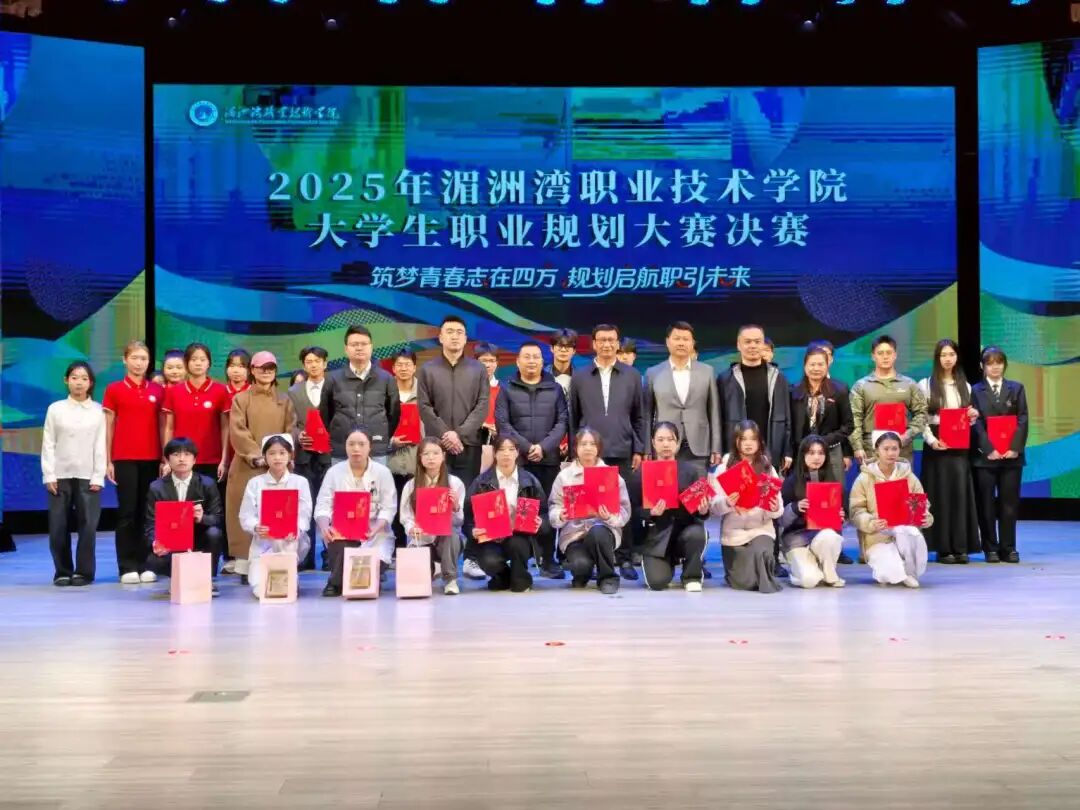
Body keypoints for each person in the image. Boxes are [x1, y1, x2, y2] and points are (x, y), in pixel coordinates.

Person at [567, 323, 645, 581]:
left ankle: (624, 558)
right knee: (588, 508)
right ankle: (590, 556)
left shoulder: (632, 375)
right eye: (601, 340)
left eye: (611, 340)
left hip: (622, 449)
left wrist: (640, 448)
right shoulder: (580, 376)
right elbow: (573, 417)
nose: (607, 344)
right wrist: (575, 452)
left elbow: (639, 416)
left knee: (623, 506)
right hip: (589, 454)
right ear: (593, 344)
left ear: (618, 343)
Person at [416, 315, 489, 580]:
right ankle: (436, 559)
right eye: (450, 331)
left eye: (459, 331)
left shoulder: (478, 369)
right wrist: (445, 435)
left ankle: (470, 558)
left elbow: (482, 405)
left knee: (467, 501)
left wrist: (459, 434)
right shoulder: (428, 369)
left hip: (469, 445)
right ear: (440, 337)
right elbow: (424, 406)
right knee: (435, 499)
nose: (455, 336)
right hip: (438, 448)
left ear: (466, 338)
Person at [493, 340, 568, 579]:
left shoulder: (555, 388)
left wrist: (543, 447)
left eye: (536, 357)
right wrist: (526, 448)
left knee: (546, 510)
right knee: (519, 510)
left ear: (542, 361)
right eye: (527, 357)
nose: (532, 361)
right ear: (517, 361)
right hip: (520, 462)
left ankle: (548, 560)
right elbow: (503, 424)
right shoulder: (507, 388)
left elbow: (562, 421)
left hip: (548, 460)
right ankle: (521, 559)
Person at [225, 352, 297, 581]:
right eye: (261, 368)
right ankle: (245, 565)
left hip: (278, 467)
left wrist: (279, 457)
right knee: (246, 513)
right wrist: (258, 456)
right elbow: (238, 431)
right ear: (252, 371)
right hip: (247, 465)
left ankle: (276, 562)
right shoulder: (241, 399)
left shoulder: (284, 400)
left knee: (276, 514)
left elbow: (290, 429)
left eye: (270, 368)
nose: (266, 372)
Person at [102, 340, 165, 584]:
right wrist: (108, 460)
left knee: (148, 513)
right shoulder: (114, 389)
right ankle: (127, 565)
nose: (139, 363)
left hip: (152, 457)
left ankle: (147, 563)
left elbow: (164, 426)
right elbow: (108, 426)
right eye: (135, 358)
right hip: (124, 457)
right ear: (125, 360)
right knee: (127, 512)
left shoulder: (158, 390)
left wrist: (164, 458)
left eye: (144, 359)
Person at [41, 361, 106, 587]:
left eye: (84, 378)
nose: (79, 382)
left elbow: (101, 445)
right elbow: (48, 443)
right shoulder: (55, 409)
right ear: (66, 380)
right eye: (75, 378)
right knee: (58, 526)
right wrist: (49, 474)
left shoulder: (98, 411)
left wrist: (98, 476)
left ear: (91, 383)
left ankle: (84, 572)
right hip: (60, 475)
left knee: (88, 526)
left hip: (88, 475)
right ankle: (62, 571)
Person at [918, 339, 981, 564]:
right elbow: (921, 418)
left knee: (960, 493)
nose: (947, 359)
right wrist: (932, 440)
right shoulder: (925, 385)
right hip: (937, 445)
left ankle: (960, 546)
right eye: (943, 355)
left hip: (959, 445)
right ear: (937, 358)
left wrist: (972, 417)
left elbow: (967, 420)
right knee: (940, 494)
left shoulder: (965, 386)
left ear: (956, 357)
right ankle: (943, 548)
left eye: (951, 354)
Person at [315, 427, 397, 597]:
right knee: (339, 546)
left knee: (369, 572)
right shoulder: (334, 472)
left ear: (370, 447)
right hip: (343, 531)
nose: (356, 448)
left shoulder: (382, 473)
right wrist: (324, 527)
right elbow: (323, 504)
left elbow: (388, 507)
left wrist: (376, 528)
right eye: (351, 444)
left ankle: (368, 575)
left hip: (374, 532)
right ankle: (335, 582)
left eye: (361, 444)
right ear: (345, 446)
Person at [548, 428, 631, 595]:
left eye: (592, 444)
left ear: (598, 448)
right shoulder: (564, 476)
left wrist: (609, 517)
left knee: (598, 532)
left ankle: (608, 577)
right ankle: (583, 572)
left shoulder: (612, 476)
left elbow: (624, 510)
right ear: (576, 448)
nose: (588, 448)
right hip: (574, 534)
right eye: (583, 444)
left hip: (603, 531)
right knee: (580, 566)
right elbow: (553, 506)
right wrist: (560, 515)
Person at [463, 436, 551, 593]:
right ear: (495, 453)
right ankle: (504, 576)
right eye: (501, 449)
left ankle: (521, 579)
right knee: (490, 561)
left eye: (511, 449)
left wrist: (540, 522)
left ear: (517, 453)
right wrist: (472, 531)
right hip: (490, 538)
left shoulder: (530, 480)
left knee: (518, 546)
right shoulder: (481, 482)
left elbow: (545, 513)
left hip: (520, 536)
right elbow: (468, 517)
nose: (506, 454)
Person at [628, 422, 708, 592]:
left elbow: (699, 510)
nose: (666, 444)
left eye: (670, 439)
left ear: (677, 442)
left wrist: (703, 510)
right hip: (656, 536)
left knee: (696, 533)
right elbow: (632, 510)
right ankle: (665, 564)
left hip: (684, 532)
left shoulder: (690, 471)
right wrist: (650, 512)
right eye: (661, 439)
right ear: (653, 442)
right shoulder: (641, 473)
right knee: (657, 582)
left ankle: (691, 576)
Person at [849, 432, 933, 587]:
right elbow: (856, 511)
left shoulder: (908, 476)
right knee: (889, 574)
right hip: (878, 536)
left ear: (900, 450)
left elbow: (922, 504)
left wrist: (925, 517)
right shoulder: (864, 478)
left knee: (910, 532)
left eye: (894, 449)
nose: (890, 453)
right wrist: (871, 522)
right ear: (876, 450)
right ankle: (895, 570)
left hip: (903, 530)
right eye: (886, 449)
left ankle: (910, 571)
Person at [143, 437, 225, 596]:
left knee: (214, 534)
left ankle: (206, 580)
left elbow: (217, 518)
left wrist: (202, 518)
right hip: (171, 539)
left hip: (198, 538)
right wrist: (155, 542)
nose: (181, 459)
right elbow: (151, 522)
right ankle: (178, 579)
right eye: (176, 454)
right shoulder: (156, 487)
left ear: (194, 460)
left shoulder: (207, 484)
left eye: (187, 454)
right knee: (154, 560)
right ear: (167, 460)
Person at [710, 420, 784, 593]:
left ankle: (761, 571)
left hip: (761, 530)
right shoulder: (724, 468)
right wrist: (727, 503)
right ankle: (737, 575)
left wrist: (774, 508)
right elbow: (714, 507)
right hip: (734, 534)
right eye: (743, 439)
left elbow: (779, 506)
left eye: (753, 439)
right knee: (747, 582)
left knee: (762, 555)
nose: (748, 443)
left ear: (759, 442)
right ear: (736, 441)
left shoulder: (767, 468)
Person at [644, 321, 722, 480]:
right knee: (665, 492)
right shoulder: (653, 373)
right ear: (667, 342)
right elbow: (647, 415)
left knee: (698, 493)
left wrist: (716, 447)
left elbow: (714, 412)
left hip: (699, 447)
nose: (681, 343)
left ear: (692, 343)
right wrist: (647, 448)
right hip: (665, 447)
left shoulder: (707, 372)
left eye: (686, 339)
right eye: (677, 338)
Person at [971, 346, 1028, 564]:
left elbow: (1023, 418)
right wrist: (989, 449)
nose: (995, 367)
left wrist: (1014, 447)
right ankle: (990, 548)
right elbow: (976, 422)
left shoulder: (1017, 388)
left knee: (1009, 504)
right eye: (990, 363)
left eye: (999, 363)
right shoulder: (975, 390)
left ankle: (1009, 547)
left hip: (1012, 456)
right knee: (986, 504)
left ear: (1004, 365)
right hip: (985, 457)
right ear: (982, 366)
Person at [237, 435, 312, 597]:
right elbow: (246, 515)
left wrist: (296, 529)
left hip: (291, 541)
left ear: (290, 455)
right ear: (264, 457)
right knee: (260, 590)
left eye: (282, 453)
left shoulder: (300, 482)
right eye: (272, 453)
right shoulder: (255, 483)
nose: (277, 457)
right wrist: (256, 527)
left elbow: (305, 514)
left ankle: (290, 575)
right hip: (263, 543)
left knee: (285, 589)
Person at [718, 324, 792, 474]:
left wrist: (787, 451)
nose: (752, 346)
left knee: (767, 488)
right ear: (738, 345)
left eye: (757, 342)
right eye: (747, 342)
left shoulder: (779, 377)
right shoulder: (725, 379)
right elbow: (718, 418)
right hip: (737, 452)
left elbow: (787, 418)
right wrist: (719, 450)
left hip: (771, 448)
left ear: (763, 344)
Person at [322, 325, 400, 466]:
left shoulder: (386, 378)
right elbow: (326, 414)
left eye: (364, 344)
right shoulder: (333, 379)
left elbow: (393, 414)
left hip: (376, 450)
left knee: (376, 481)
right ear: (346, 349)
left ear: (371, 347)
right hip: (342, 450)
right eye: (354, 344)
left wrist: (381, 436)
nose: (359, 348)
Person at [399, 437, 467, 595]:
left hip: (446, 542)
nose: (431, 458)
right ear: (420, 458)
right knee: (421, 582)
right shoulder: (411, 485)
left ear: (443, 456)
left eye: (436, 453)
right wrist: (411, 528)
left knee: (451, 534)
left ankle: (450, 579)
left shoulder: (454, 483)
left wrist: (456, 506)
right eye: (426, 454)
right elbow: (405, 516)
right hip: (421, 539)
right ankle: (433, 569)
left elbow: (459, 522)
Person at [778, 435, 846, 588]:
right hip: (797, 540)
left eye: (821, 453)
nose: (816, 457)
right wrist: (795, 508)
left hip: (821, 537)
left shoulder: (833, 483)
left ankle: (829, 572)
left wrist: (839, 518)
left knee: (831, 536)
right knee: (809, 581)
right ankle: (809, 566)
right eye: (811, 452)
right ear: (803, 455)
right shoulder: (791, 482)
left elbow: (838, 524)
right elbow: (780, 521)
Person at [849, 335, 928, 465]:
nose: (885, 357)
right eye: (880, 353)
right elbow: (854, 418)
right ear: (873, 356)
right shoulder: (861, 386)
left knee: (901, 479)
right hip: (871, 449)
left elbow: (922, 413)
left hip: (902, 448)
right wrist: (857, 447)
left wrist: (907, 435)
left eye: (889, 353)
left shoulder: (909, 384)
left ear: (895, 355)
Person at [288, 346, 332, 571]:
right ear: (304, 365)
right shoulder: (294, 391)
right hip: (304, 456)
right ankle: (305, 555)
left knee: (330, 505)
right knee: (306, 504)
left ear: (325, 363)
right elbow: (289, 422)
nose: (313, 365)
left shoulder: (335, 386)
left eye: (317, 361)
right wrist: (298, 435)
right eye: (309, 361)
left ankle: (329, 554)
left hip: (330, 455)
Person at [162, 342, 229, 482]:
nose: (198, 363)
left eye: (202, 359)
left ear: (209, 363)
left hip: (212, 460)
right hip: (181, 460)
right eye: (193, 359)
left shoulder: (221, 391)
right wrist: (167, 460)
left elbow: (225, 428)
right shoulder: (174, 392)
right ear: (186, 363)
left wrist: (224, 460)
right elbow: (169, 428)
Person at [790, 345, 854, 484]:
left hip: (831, 450)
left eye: (820, 364)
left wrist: (824, 441)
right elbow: (790, 425)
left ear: (827, 366)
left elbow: (848, 425)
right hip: (802, 453)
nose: (816, 368)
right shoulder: (794, 391)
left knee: (832, 493)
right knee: (803, 493)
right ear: (805, 366)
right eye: (812, 364)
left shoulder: (840, 390)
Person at [387, 349, 422, 548]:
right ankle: (397, 548)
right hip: (390, 459)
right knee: (393, 506)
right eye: (399, 364)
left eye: (408, 364)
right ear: (393, 368)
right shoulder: (386, 392)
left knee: (417, 506)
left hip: (416, 459)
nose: (403, 368)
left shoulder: (424, 393)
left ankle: (420, 547)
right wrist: (390, 441)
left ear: (415, 367)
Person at [474, 341, 501, 475]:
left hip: (496, 442)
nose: (487, 365)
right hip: (473, 441)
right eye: (483, 360)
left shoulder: (503, 388)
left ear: (497, 363)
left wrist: (499, 427)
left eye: (491, 361)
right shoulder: (467, 387)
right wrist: (481, 424)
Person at [546, 328, 578, 398]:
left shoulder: (582, 378)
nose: (563, 350)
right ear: (551, 348)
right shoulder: (541, 376)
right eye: (560, 346)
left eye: (568, 346)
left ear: (574, 351)